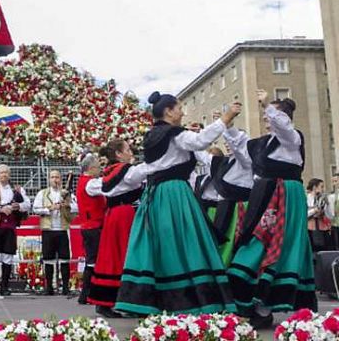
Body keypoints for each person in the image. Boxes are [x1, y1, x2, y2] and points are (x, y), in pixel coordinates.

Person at [114, 92, 239, 316]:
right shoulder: (174, 134)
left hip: (155, 194)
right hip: (174, 194)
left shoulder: (153, 135)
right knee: (184, 242)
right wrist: (225, 118)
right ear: (169, 111)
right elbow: (199, 141)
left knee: (160, 244)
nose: (182, 111)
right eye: (179, 107)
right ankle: (187, 298)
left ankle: (154, 299)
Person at [228, 90, 317, 328]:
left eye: (272, 115)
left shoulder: (292, 138)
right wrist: (227, 123)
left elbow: (284, 127)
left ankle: (265, 305)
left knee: (283, 244)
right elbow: (242, 151)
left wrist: (267, 104)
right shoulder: (264, 143)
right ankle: (253, 301)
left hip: (286, 194)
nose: (267, 118)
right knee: (255, 242)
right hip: (265, 196)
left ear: (283, 116)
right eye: (267, 114)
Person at [87, 139, 147, 317]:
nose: (131, 152)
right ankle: (126, 301)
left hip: (116, 215)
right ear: (119, 154)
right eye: (128, 150)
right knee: (124, 256)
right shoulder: (126, 172)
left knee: (113, 256)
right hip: (124, 216)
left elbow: (93, 187)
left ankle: (110, 301)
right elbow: (147, 169)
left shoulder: (110, 172)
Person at [0, 164, 31, 296]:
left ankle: (5, 286)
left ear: (9, 175)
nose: (4, 175)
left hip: (10, 227)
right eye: (1, 173)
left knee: (8, 256)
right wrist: (0, 209)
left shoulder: (17, 190)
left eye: (6, 173)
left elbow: (27, 204)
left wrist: (18, 206)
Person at [210, 127, 254, 266]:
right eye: (226, 143)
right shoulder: (225, 162)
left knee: (235, 239)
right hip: (224, 206)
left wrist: (227, 128)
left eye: (231, 142)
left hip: (239, 205)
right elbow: (205, 157)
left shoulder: (246, 161)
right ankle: (221, 266)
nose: (228, 145)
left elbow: (240, 151)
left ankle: (234, 267)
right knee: (221, 238)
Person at [33, 170, 78, 296]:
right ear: (49, 179)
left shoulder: (67, 194)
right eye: (52, 177)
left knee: (64, 259)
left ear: (61, 179)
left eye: (57, 177)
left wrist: (67, 205)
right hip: (48, 230)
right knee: (48, 259)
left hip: (62, 229)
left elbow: (77, 207)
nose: (55, 179)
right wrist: (49, 209)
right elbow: (35, 209)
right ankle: (49, 287)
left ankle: (65, 287)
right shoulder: (43, 193)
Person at [75, 154, 105, 304]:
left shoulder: (84, 182)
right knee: (93, 261)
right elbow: (106, 186)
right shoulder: (91, 184)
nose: (101, 170)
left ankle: (87, 294)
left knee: (92, 260)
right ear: (91, 168)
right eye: (99, 168)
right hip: (93, 226)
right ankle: (86, 294)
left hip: (90, 225)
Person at [307, 178, 333, 251]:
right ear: (315, 187)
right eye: (321, 187)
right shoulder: (306, 198)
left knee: (324, 248)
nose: (323, 189)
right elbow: (304, 214)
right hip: (310, 229)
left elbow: (330, 216)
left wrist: (327, 205)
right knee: (313, 249)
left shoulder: (323, 198)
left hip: (323, 228)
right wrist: (314, 210)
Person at [328, 175, 339, 249]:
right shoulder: (332, 195)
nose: (334, 183)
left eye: (336, 181)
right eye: (333, 181)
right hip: (335, 223)